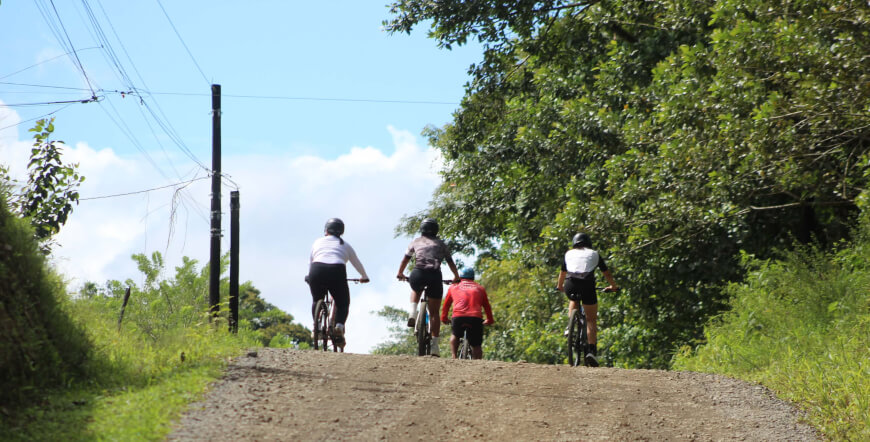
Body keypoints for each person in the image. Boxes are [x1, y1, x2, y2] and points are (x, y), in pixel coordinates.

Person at [396, 218, 460, 357]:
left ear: (422, 229)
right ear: (436, 230)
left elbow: (405, 259)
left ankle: (412, 312)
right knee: (434, 313)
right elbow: (450, 262)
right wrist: (456, 276)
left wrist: (400, 273)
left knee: (416, 288)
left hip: (418, 273)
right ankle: (435, 346)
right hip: (434, 276)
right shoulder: (441, 244)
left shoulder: (415, 242)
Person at [556, 232, 618, 367]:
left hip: (570, 284)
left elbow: (563, 272)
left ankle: (570, 326)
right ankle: (591, 351)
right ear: (589, 243)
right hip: (587, 285)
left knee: (573, 299)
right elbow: (606, 273)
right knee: (590, 319)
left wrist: (560, 286)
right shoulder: (594, 254)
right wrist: (613, 286)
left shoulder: (568, 253)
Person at [307, 218, 369, 347]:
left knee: (316, 299)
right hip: (336, 271)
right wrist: (364, 276)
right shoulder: (345, 245)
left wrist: (309, 276)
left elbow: (311, 260)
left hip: (316, 270)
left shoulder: (317, 242)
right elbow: (356, 262)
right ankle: (339, 327)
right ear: (341, 232)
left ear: (326, 230)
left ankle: (316, 328)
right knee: (343, 303)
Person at [441, 268, 494, 359]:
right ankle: (477, 362)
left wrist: (444, 318)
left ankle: (454, 356)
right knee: (476, 345)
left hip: (458, 317)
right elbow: (487, 306)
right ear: (473, 277)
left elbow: (446, 305)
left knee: (455, 335)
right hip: (475, 318)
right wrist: (489, 320)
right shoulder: (480, 288)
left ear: (460, 277)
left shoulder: (453, 287)